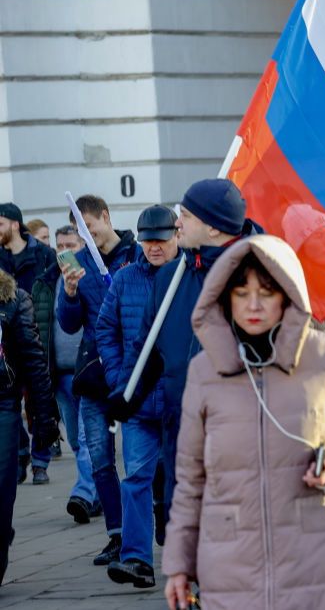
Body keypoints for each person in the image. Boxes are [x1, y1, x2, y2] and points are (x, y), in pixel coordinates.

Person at [162, 235, 325, 610]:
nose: (253, 305)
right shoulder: (204, 371)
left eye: (267, 292)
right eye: (241, 292)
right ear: (223, 297)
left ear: (287, 294)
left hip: (320, 559)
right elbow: (190, 480)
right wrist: (178, 565)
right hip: (229, 566)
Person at [117, 179, 260, 545]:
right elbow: (147, 347)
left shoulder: (256, 276)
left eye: (184, 216)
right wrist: (125, 395)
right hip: (180, 423)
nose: (177, 224)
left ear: (212, 226)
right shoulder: (170, 278)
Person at [95, 206, 180, 588]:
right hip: (136, 401)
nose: (154, 247)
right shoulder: (125, 278)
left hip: (182, 401)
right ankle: (136, 559)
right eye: (148, 240)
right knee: (137, 478)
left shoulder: (191, 277)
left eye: (161, 239)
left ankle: (185, 561)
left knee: (181, 482)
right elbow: (106, 329)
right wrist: (118, 379)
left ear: (176, 235)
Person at [57, 194, 143, 566]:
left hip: (136, 370)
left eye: (89, 228)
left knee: (141, 459)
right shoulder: (79, 264)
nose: (86, 236)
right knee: (100, 460)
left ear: (105, 218)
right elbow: (69, 322)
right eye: (80, 231)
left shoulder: (136, 254)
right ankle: (116, 534)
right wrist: (71, 295)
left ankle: (147, 526)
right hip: (94, 372)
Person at [32, 226, 99, 522]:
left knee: (86, 437)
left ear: (82, 245)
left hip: (88, 372)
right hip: (59, 374)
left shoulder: (92, 278)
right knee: (74, 439)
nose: (63, 251)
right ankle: (96, 494)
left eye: (70, 244)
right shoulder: (48, 281)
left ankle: (84, 493)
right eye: (60, 245)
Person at [0, 267, 59, 586]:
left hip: (3, 405)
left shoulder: (12, 299)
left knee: (2, 490)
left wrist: (44, 417)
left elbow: (35, 362)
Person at [0, 204, 58, 484]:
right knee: (11, 402)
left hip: (39, 337)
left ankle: (40, 462)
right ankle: (21, 449)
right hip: (7, 347)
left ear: (14, 224)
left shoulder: (44, 255)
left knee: (38, 400)